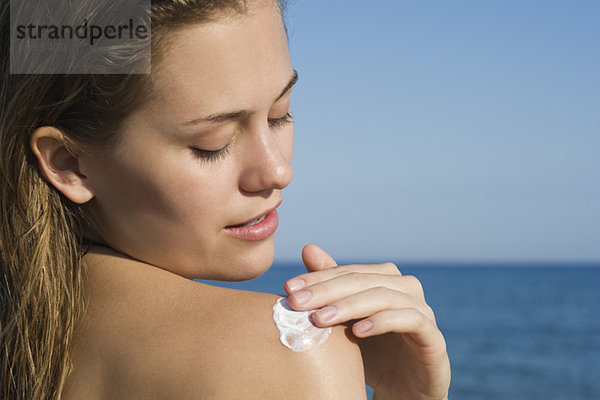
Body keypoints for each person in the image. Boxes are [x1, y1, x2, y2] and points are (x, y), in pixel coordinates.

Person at [0, 0, 451, 399]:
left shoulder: (24, 333)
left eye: (280, 114)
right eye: (212, 144)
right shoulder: (294, 352)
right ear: (70, 163)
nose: (278, 171)